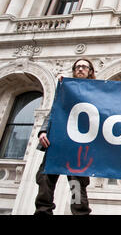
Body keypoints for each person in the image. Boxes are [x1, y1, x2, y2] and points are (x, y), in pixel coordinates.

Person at [34, 58, 96, 215]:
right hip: (56, 143)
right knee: (45, 180)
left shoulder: (96, 91)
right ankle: (43, 210)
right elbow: (55, 112)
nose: (80, 69)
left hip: (77, 147)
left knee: (76, 183)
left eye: (84, 67)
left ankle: (79, 212)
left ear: (90, 71)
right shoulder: (65, 88)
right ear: (74, 70)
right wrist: (43, 131)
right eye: (78, 67)